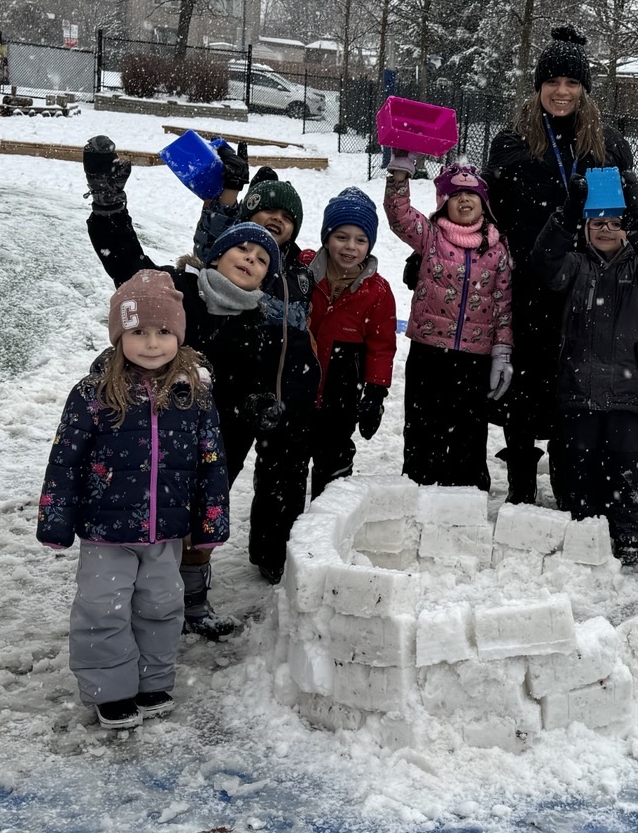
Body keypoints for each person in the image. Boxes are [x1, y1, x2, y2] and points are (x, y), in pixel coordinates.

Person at [82, 137, 316, 617]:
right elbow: (126, 265)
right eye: (242, 248)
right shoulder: (179, 290)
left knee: (203, 522)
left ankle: (192, 601)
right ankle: (142, 599)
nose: (251, 257)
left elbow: (273, 374)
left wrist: (261, 403)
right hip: (159, 429)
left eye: (262, 258)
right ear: (217, 255)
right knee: (154, 518)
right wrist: (109, 206)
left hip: (220, 435)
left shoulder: (262, 322)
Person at [38, 270, 231, 729]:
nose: (151, 342)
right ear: (119, 334)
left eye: (164, 331)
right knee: (102, 608)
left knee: (162, 607)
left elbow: (211, 461)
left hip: (165, 531)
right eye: (138, 332)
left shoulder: (194, 394)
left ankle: (154, 680)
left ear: (179, 336)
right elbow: (65, 460)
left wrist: (210, 522)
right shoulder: (93, 394)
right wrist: (56, 521)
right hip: (106, 531)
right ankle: (111, 690)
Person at [484, 25, 635, 505]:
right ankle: (522, 480)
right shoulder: (511, 142)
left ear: (585, 88)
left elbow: (622, 218)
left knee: (576, 383)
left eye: (572, 83)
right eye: (553, 82)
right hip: (526, 283)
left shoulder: (607, 147)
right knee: (523, 386)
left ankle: (571, 479)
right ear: (539, 86)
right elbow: (490, 213)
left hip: (585, 285)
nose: (562, 92)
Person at [530, 168, 638, 564]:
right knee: (579, 461)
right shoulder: (576, 266)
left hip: (629, 392)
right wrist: (565, 217)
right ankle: (582, 523)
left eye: (616, 223)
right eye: (598, 223)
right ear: (586, 227)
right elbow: (543, 262)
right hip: (579, 388)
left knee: (628, 464)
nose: (607, 230)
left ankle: (627, 533)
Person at [384, 157, 515, 488]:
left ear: (484, 203)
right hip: (429, 354)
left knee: (468, 434)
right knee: (423, 428)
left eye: (472, 195)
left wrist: (502, 351)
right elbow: (399, 217)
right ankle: (418, 489)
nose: (465, 200)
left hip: (474, 359)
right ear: (444, 203)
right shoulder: (430, 238)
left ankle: (465, 499)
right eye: (456, 195)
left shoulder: (497, 249)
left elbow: (502, 304)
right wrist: (401, 169)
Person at [306, 188, 397, 496]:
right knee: (285, 463)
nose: (350, 247)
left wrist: (375, 395)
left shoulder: (377, 292)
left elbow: (381, 346)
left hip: (341, 391)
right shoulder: (303, 271)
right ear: (326, 237)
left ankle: (324, 526)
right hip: (297, 387)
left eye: (360, 240)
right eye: (341, 237)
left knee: (333, 461)